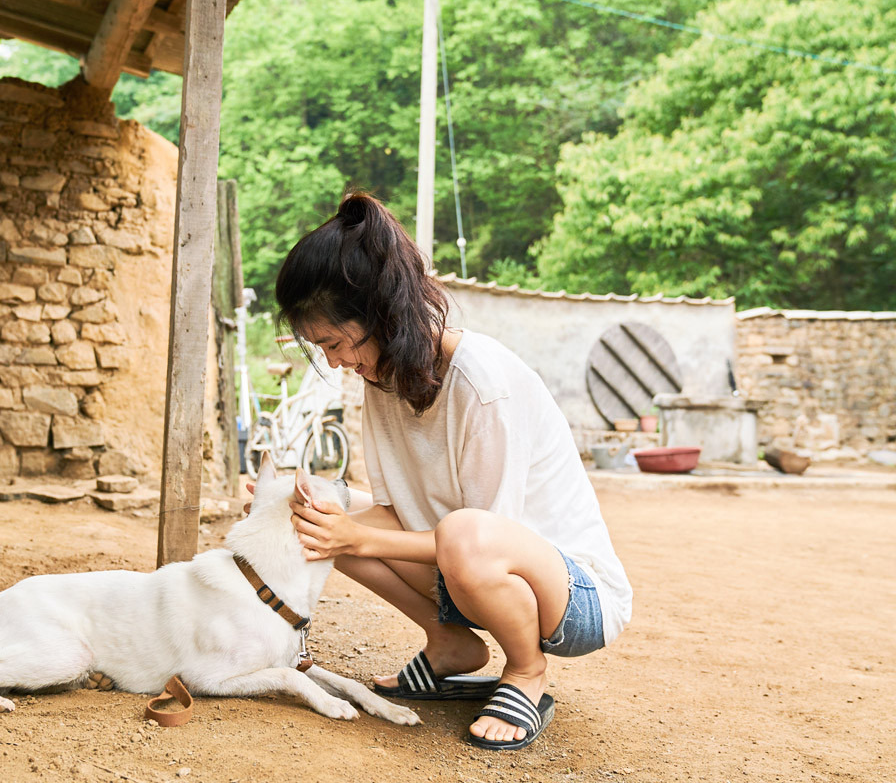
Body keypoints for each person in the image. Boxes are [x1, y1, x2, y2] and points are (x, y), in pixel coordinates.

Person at [267, 191, 632, 751]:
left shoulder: (481, 385)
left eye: (337, 343)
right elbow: (395, 513)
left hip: (572, 598)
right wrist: (311, 507)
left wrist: (359, 536)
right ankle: (450, 643)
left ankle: (527, 671)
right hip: (471, 569)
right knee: (320, 510)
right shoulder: (383, 379)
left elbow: (485, 535)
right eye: (322, 349)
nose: (336, 361)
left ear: (382, 315)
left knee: (457, 531)